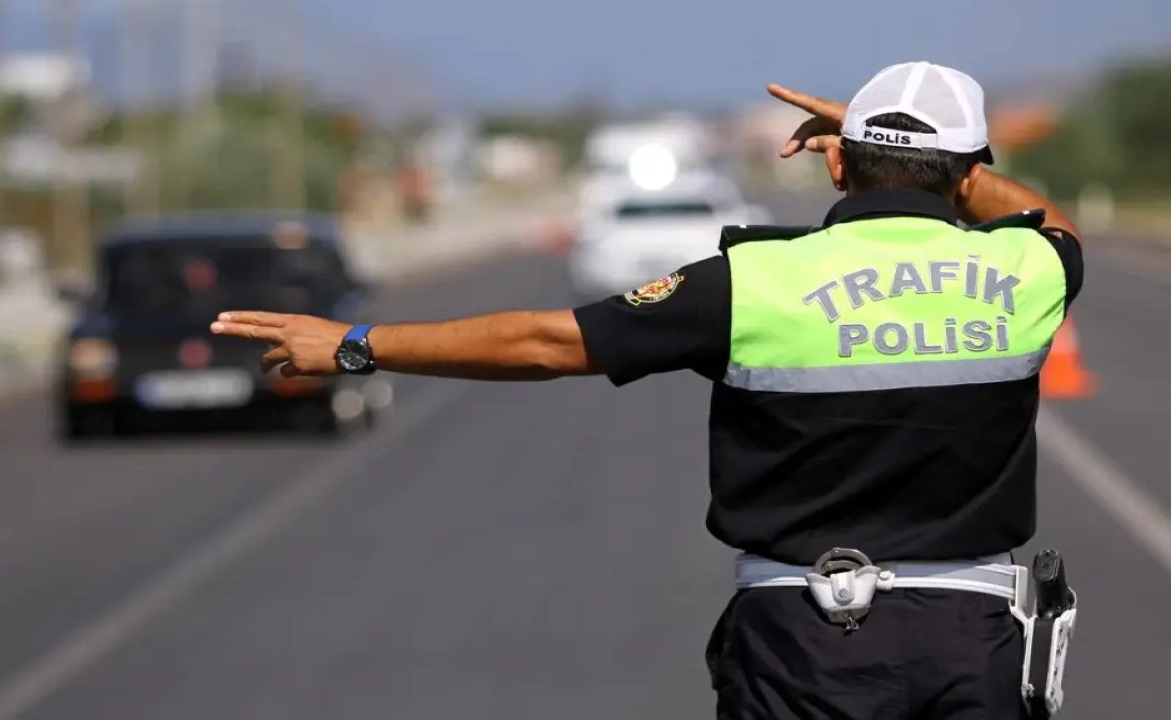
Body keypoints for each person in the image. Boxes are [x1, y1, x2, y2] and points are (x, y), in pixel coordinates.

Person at [211, 61, 1082, 719]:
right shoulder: (1027, 269)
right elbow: (1045, 217)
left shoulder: (750, 281)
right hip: (975, 646)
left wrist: (357, 346)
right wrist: (925, 158)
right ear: (967, 177)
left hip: (805, 645)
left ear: (837, 168)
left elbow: (547, 342)